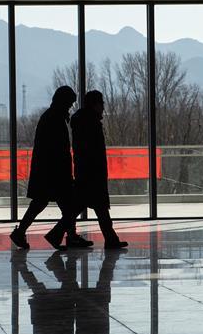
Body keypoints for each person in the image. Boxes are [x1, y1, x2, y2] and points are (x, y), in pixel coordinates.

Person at [10, 86, 92, 250]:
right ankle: (68, 236)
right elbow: (58, 150)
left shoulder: (50, 117)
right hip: (55, 172)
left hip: (46, 171)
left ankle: (25, 232)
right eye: (69, 103)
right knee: (70, 204)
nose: (70, 107)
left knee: (42, 203)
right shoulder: (56, 119)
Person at [70, 90, 128, 249]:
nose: (103, 107)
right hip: (93, 171)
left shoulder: (80, 120)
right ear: (95, 104)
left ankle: (111, 238)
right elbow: (94, 150)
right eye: (101, 103)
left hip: (84, 169)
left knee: (89, 205)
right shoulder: (92, 122)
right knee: (98, 205)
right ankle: (110, 239)